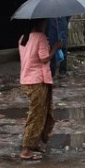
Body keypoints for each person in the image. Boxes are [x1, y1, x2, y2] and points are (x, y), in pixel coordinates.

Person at [19, 19, 60, 160]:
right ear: (39, 23)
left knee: (39, 112)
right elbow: (44, 59)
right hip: (37, 80)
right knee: (37, 114)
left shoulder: (23, 38)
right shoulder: (40, 37)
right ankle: (26, 149)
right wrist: (55, 48)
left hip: (26, 79)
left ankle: (34, 142)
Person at [45, 0, 70, 78]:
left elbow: (68, 16)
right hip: (51, 29)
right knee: (52, 50)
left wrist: (63, 24)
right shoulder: (46, 2)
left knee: (63, 49)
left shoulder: (63, 2)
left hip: (62, 28)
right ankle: (52, 72)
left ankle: (63, 71)